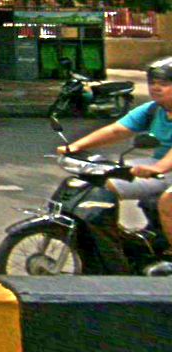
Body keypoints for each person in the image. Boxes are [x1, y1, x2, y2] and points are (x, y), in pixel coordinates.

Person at [57, 56, 172, 273]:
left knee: (168, 200)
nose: (156, 88)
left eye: (164, 83)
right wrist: (75, 147)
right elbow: (117, 130)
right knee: (102, 182)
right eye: (153, 83)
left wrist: (158, 169)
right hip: (160, 166)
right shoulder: (153, 110)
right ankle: (118, 244)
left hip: (164, 168)